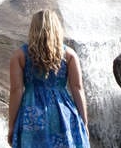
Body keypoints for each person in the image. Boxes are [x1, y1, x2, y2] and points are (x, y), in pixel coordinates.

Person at [8, 9, 90, 148]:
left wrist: (11, 125)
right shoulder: (69, 55)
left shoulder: (19, 56)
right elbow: (77, 88)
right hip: (63, 113)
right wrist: (84, 122)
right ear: (57, 29)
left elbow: (16, 90)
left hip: (32, 113)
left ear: (33, 29)